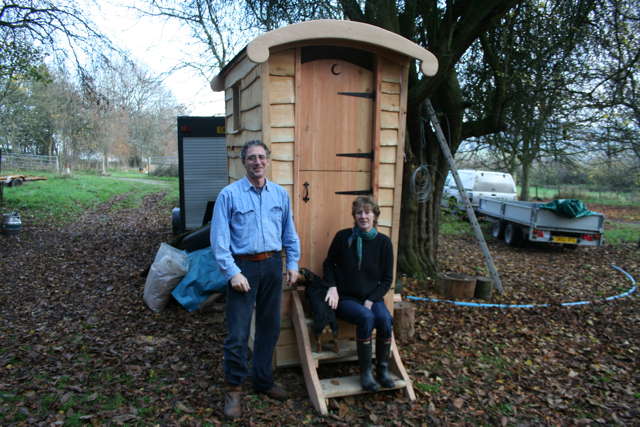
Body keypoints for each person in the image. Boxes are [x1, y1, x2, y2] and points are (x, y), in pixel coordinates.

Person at [211, 140, 300, 418]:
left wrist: (293, 262)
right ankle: (234, 390)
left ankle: (263, 381)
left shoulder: (280, 195)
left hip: (273, 266)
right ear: (244, 162)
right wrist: (232, 272)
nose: (257, 162)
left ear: (268, 160)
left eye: (261, 157)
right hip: (243, 270)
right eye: (252, 158)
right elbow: (219, 241)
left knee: (269, 327)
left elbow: (289, 233)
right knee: (237, 333)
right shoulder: (229, 195)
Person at [323, 196, 395, 392]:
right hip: (345, 297)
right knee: (365, 317)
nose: (363, 216)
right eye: (359, 212)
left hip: (372, 297)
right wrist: (331, 286)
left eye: (367, 212)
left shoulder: (384, 243)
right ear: (354, 216)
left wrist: (371, 299)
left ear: (375, 215)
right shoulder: (342, 237)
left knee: (385, 320)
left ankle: (382, 370)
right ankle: (365, 373)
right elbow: (328, 264)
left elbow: (388, 279)